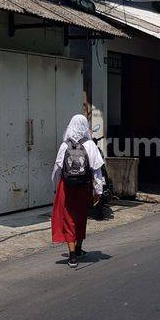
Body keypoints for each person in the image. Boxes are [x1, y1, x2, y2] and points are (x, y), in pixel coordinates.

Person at [51, 114, 104, 268]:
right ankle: (79, 249)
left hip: (66, 187)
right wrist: (98, 191)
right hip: (84, 186)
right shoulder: (90, 145)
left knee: (68, 218)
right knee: (81, 216)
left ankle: (72, 256)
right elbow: (97, 171)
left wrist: (56, 187)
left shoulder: (64, 145)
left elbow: (57, 169)